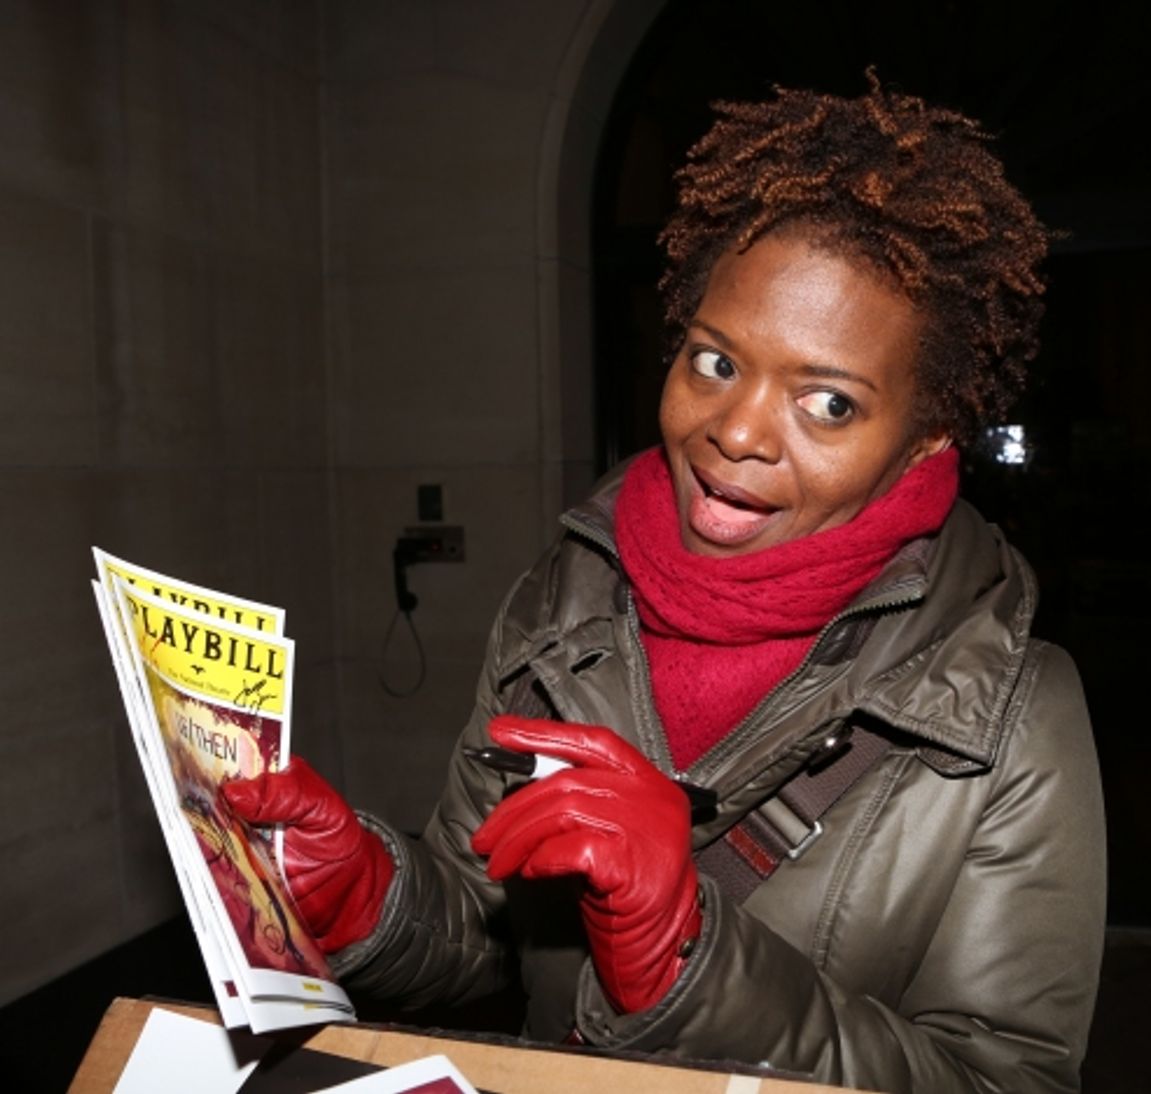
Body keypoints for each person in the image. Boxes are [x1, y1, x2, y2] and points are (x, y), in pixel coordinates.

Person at [223, 72, 1106, 1092]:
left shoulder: (1009, 712)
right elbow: (487, 923)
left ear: (924, 441)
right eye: (715, 362)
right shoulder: (560, 604)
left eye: (827, 403)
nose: (735, 431)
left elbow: (1001, 1079)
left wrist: (688, 960)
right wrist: (368, 894)